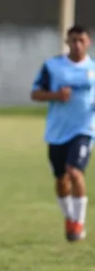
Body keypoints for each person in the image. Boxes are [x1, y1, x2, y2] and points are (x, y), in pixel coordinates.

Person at [30, 25, 95, 242]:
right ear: (67, 42)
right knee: (61, 180)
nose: (77, 45)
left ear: (88, 43)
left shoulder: (93, 69)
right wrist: (56, 95)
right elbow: (35, 93)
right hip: (57, 132)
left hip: (84, 129)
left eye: (81, 40)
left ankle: (78, 223)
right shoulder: (53, 66)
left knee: (74, 172)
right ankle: (69, 218)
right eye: (73, 40)